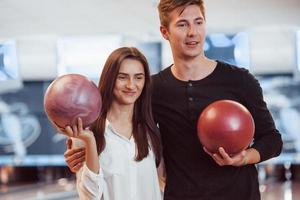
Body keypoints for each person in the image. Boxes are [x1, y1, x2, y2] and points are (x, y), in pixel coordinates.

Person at [64, 1, 283, 199]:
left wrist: (243, 158)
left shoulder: (239, 80)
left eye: (198, 22)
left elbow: (272, 140)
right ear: (164, 31)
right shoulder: (152, 89)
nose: (192, 32)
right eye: (182, 25)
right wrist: (84, 150)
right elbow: (117, 126)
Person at [61, 47, 162, 200]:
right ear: (110, 78)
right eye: (122, 77)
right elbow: (89, 196)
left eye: (138, 77)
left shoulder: (151, 129)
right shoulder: (87, 132)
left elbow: (164, 181)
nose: (131, 85)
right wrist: (89, 141)